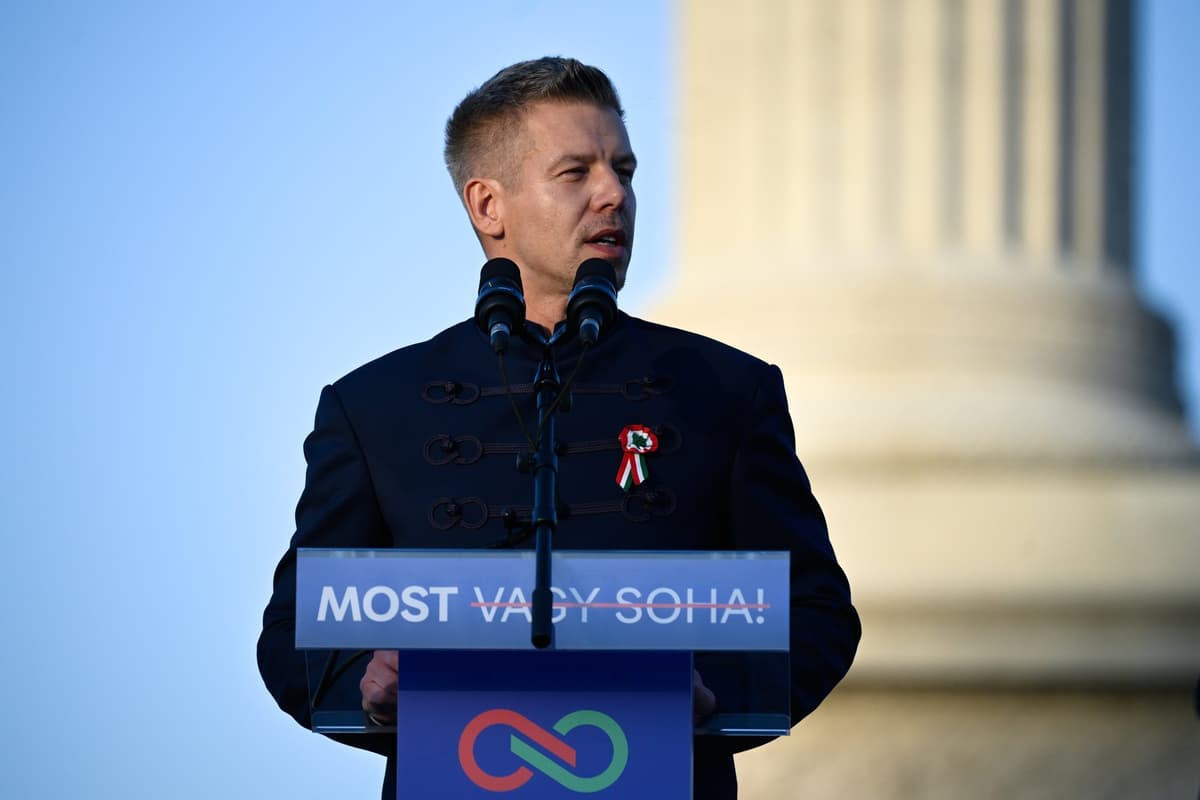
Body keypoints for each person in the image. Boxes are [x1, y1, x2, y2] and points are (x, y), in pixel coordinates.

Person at [258, 56, 860, 799]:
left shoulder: (729, 390)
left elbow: (819, 613)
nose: (614, 194)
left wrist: (710, 694)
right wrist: (368, 684)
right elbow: (294, 637)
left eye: (624, 169)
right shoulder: (373, 405)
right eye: (576, 172)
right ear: (488, 206)